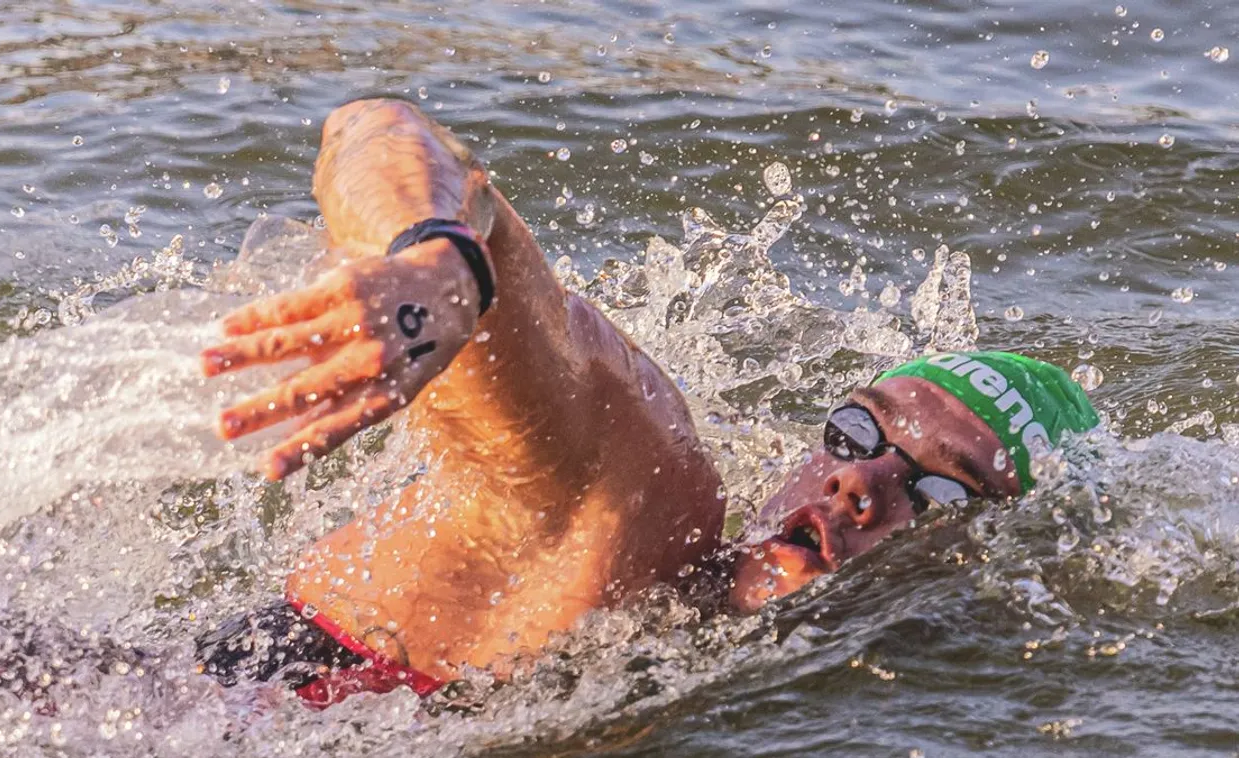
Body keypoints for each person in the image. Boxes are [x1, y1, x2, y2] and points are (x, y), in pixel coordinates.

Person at [195, 99, 1099, 707]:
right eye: (856, 431)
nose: (860, 482)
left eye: (943, 490)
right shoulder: (638, 497)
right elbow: (384, 129)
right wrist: (442, 259)